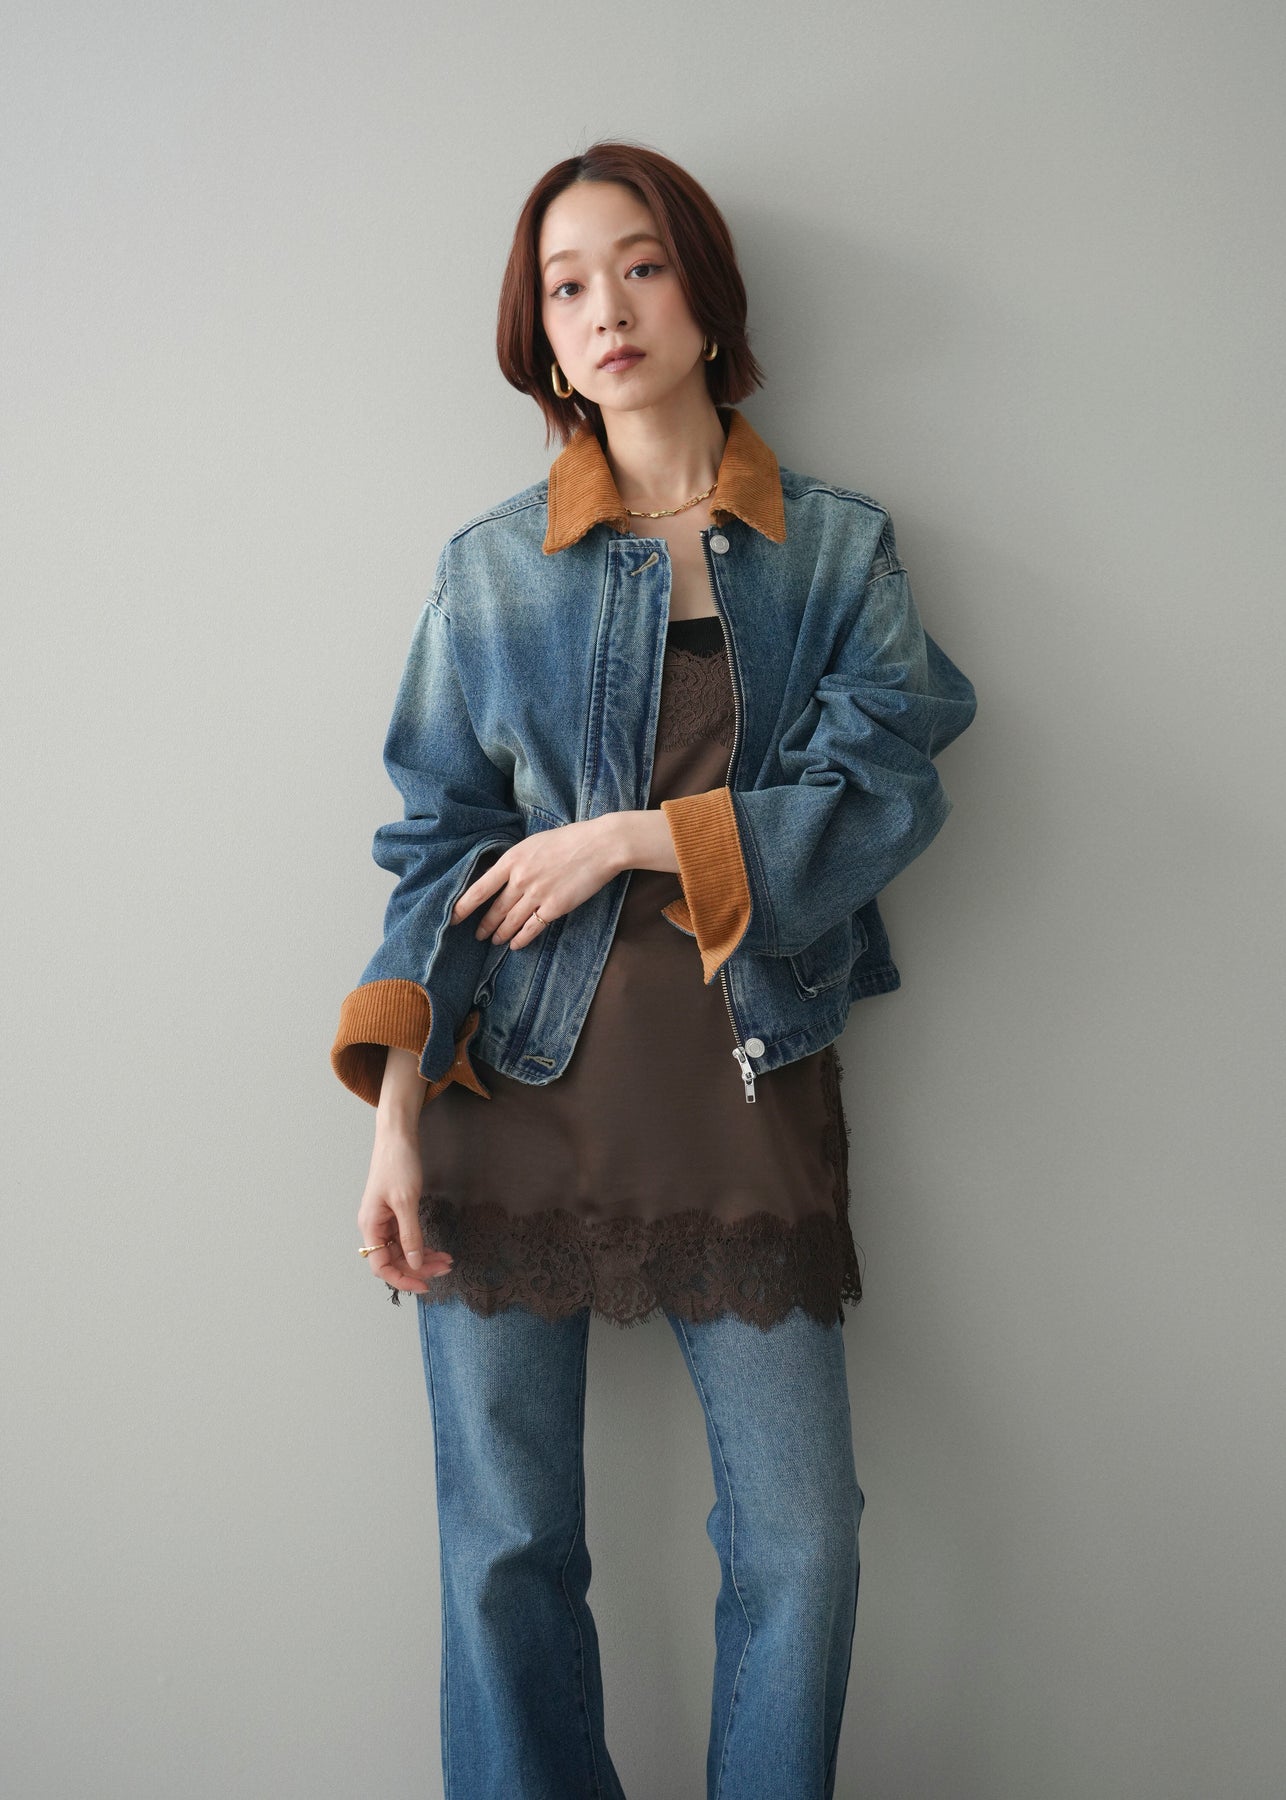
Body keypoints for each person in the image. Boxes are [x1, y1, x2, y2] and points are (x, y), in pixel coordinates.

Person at [331, 141, 977, 1800]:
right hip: (497, 1099)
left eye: (637, 265)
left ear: (702, 293)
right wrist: (391, 1123)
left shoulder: (833, 551)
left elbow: (883, 792)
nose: (604, 309)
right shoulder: (491, 568)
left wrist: (627, 839)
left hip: (740, 1095)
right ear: (540, 338)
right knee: (505, 1549)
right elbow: (432, 851)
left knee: (801, 1543)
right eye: (565, 286)